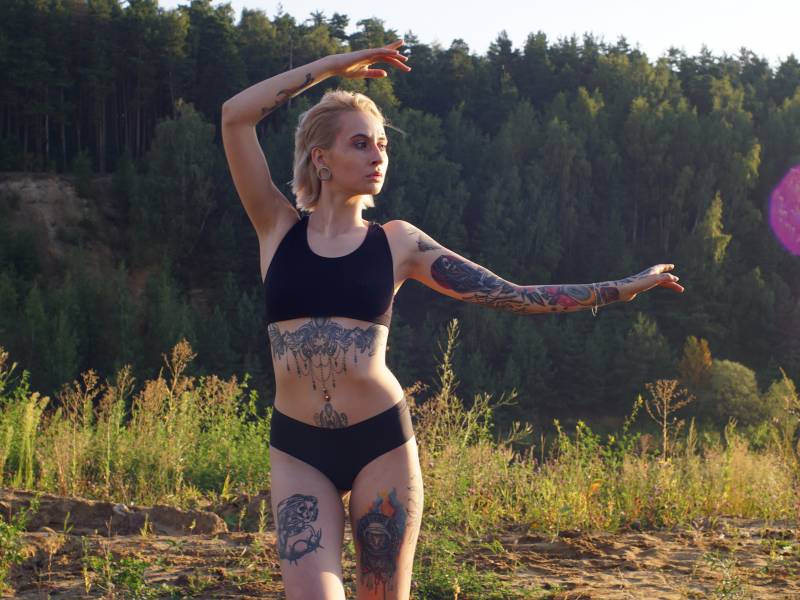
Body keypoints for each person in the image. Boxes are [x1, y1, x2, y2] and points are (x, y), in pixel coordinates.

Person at [221, 40, 684, 600]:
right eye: (360, 143)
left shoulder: (398, 243)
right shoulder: (275, 228)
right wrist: (336, 67)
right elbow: (235, 116)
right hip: (298, 449)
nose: (377, 156)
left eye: (383, 145)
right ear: (320, 158)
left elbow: (511, 296)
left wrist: (619, 289)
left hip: (379, 443)